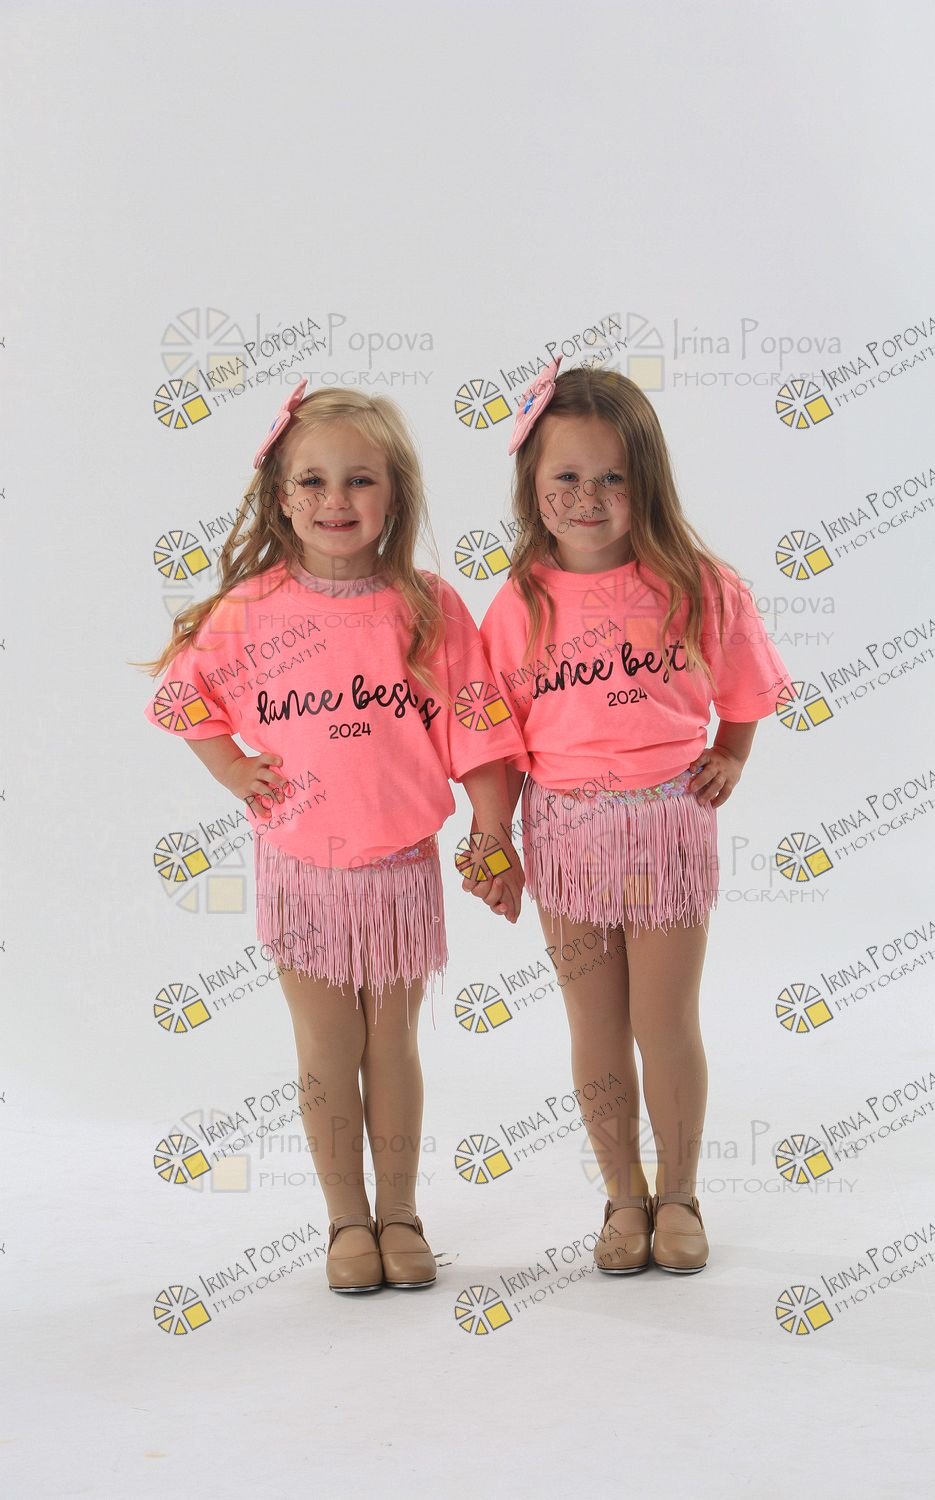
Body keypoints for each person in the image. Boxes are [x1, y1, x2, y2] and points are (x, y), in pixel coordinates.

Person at [136, 378, 526, 1294]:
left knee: (391, 1046)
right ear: (281, 497)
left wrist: (493, 827)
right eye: (312, 481)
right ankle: (347, 1219)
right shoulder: (252, 610)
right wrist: (234, 770)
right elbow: (183, 698)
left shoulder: (426, 606)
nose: (334, 501)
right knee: (325, 1047)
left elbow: (478, 724)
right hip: (303, 869)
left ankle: (401, 1213)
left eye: (360, 481)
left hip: (399, 869)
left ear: (395, 495)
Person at [467, 356, 794, 1276]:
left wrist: (732, 752)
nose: (588, 497)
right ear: (532, 484)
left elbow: (746, 686)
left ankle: (679, 1194)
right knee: (596, 1024)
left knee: (665, 1019)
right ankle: (622, 1196)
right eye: (567, 476)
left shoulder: (697, 584)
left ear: (646, 480)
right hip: (566, 835)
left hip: (666, 829)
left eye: (612, 477)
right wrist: (493, 837)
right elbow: (495, 734)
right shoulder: (518, 605)